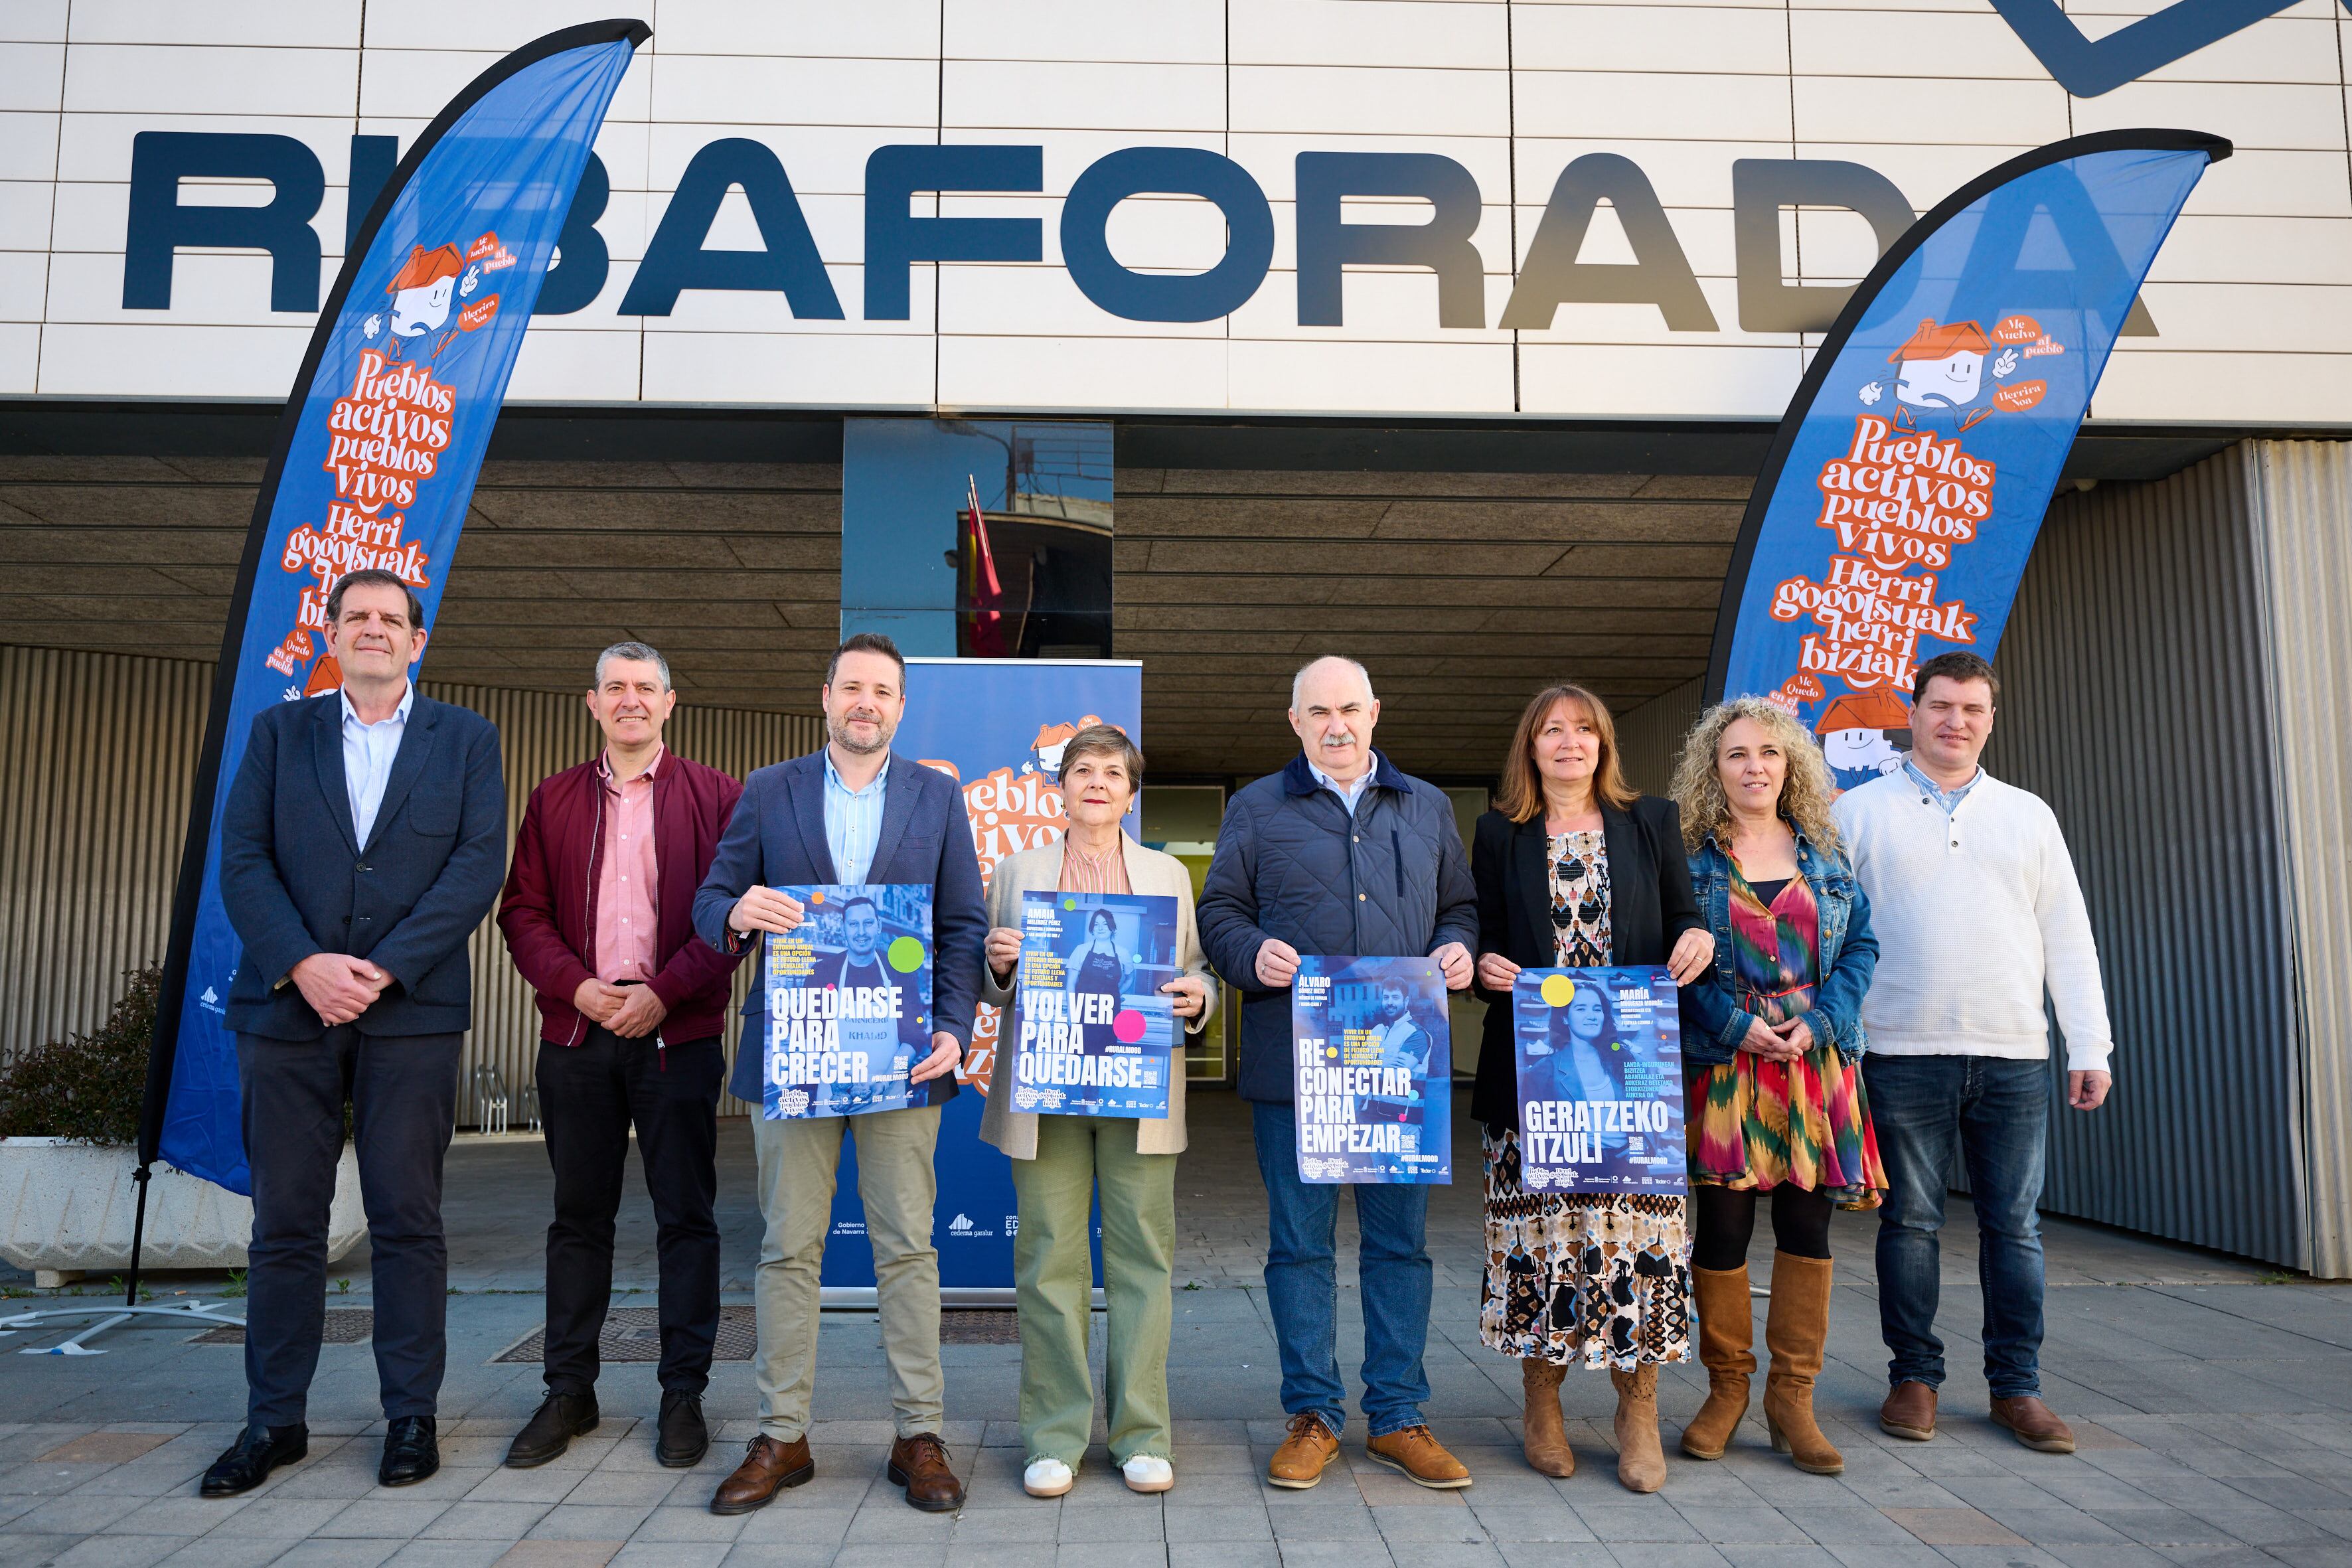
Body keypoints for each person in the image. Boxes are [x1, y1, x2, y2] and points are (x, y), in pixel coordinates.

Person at [204, 568, 506, 1497]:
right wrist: (303, 962)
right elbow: (244, 857)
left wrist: (383, 967)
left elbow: (474, 864)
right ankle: (273, 1420)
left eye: (391, 619)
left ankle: (410, 1415)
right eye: (356, 617)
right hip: (287, 1008)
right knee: (285, 1223)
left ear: (419, 640)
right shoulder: (277, 732)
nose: (373, 629)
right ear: (330, 635)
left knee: (407, 1219)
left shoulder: (465, 738)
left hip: (408, 1012)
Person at [690, 632, 988, 1514]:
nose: (866, 701)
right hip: (797, 1056)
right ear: (824, 696)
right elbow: (712, 897)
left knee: (907, 1247)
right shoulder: (767, 789)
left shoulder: (937, 797)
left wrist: (951, 1024)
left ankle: (917, 1432)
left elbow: (963, 924)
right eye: (851, 686)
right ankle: (781, 1434)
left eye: (882, 690)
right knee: (788, 1247)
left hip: (903, 1059)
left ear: (900, 707)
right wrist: (736, 909)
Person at [1197, 655, 1480, 1492]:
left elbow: (1459, 906)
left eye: (1350, 708)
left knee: (1401, 1245)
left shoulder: (1426, 806)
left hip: (1401, 1069)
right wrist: (1252, 952)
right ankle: (1314, 1415)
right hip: (1297, 1068)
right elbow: (1219, 915)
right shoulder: (1255, 807)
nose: (1336, 724)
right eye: (1318, 711)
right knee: (1300, 1246)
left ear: (1375, 711)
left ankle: (1398, 1416)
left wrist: (1459, 947)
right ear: (1295, 721)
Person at [1833, 651, 2113, 1455]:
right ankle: (1913, 1377)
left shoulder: (2030, 815)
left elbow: (2069, 937)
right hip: (1898, 1051)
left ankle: (2016, 1388)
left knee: (2015, 1228)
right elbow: (1836, 938)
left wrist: (2088, 1043)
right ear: (1912, 713)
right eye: (1941, 705)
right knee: (1911, 1223)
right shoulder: (1860, 813)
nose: (1956, 721)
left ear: (1990, 720)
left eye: (1973, 710)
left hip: (2014, 1055)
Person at [495, 642, 746, 1472]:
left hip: (678, 1035)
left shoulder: (718, 796)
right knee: (578, 1219)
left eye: (646, 687)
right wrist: (580, 988)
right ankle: (570, 1390)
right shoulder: (554, 798)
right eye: (616, 688)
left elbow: (734, 920)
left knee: (688, 1218)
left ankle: (684, 1393)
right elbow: (522, 911)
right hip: (578, 1034)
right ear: (593, 702)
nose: (631, 699)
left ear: (671, 703)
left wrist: (664, 993)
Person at [1469, 684, 1711, 1493]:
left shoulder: (1652, 822)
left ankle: (1636, 1407)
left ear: (1605, 742)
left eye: (1583, 729)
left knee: (1637, 1242)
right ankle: (1542, 1402)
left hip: (1631, 1079)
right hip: (1532, 1079)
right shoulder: (1499, 833)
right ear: (1529, 747)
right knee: (1542, 1240)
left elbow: (1682, 916)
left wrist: (1697, 938)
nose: (1568, 742)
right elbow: (1484, 942)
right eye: (1551, 731)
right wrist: (1485, 968)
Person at [977, 725, 1215, 1499]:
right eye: (1083, 769)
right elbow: (989, 976)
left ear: (1131, 789)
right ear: (1062, 784)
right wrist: (999, 963)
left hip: (1137, 1089)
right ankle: (1053, 1436)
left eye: (1114, 772)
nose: (1098, 782)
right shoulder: (1018, 870)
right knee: (1049, 1258)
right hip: (1046, 1090)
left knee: (1143, 1257)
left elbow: (1193, 968)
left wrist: (1200, 993)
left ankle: (1142, 1433)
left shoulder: (1166, 873)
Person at [1669, 696, 1883, 1477]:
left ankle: (1794, 1397)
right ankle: (1727, 1388)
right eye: (1736, 754)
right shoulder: (1690, 857)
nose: (1754, 766)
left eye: (1768, 753)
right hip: (1728, 1062)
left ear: (1789, 764)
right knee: (1722, 1232)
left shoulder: (1824, 851)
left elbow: (1861, 946)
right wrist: (1731, 1026)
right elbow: (1672, 961)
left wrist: (1823, 1022)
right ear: (1713, 768)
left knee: (1807, 1231)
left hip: (1812, 1064)